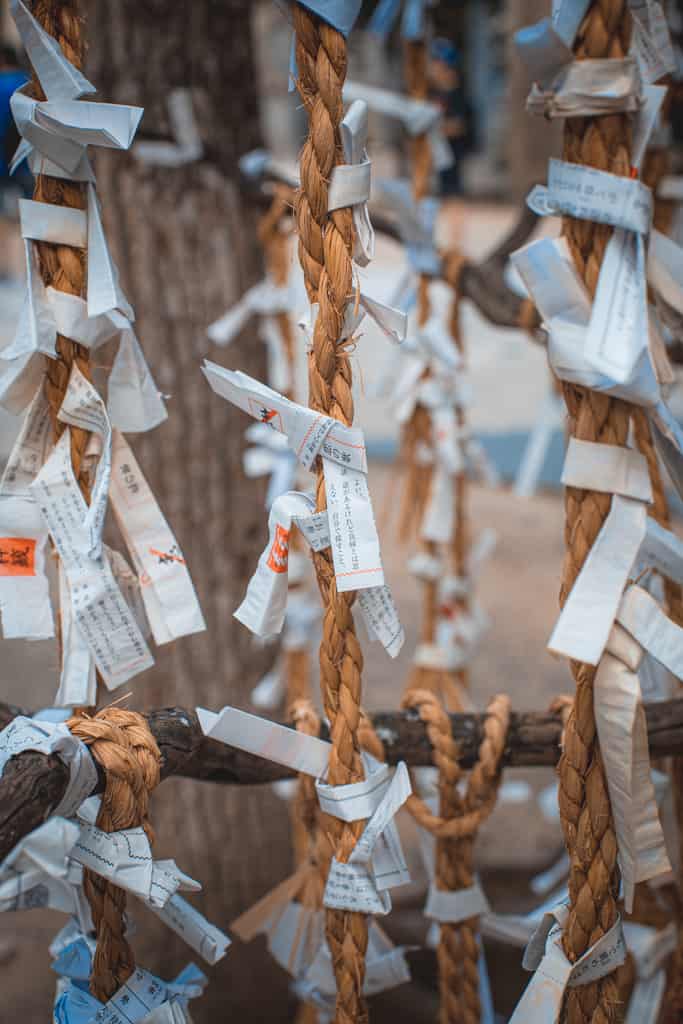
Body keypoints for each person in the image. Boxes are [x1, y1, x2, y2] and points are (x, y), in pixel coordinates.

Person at [428, 36, 473, 196]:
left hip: (453, 154)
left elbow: (459, 126)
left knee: (452, 192)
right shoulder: (435, 94)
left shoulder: (458, 97)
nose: (432, 69)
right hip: (439, 155)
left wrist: (436, 129)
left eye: (436, 64)